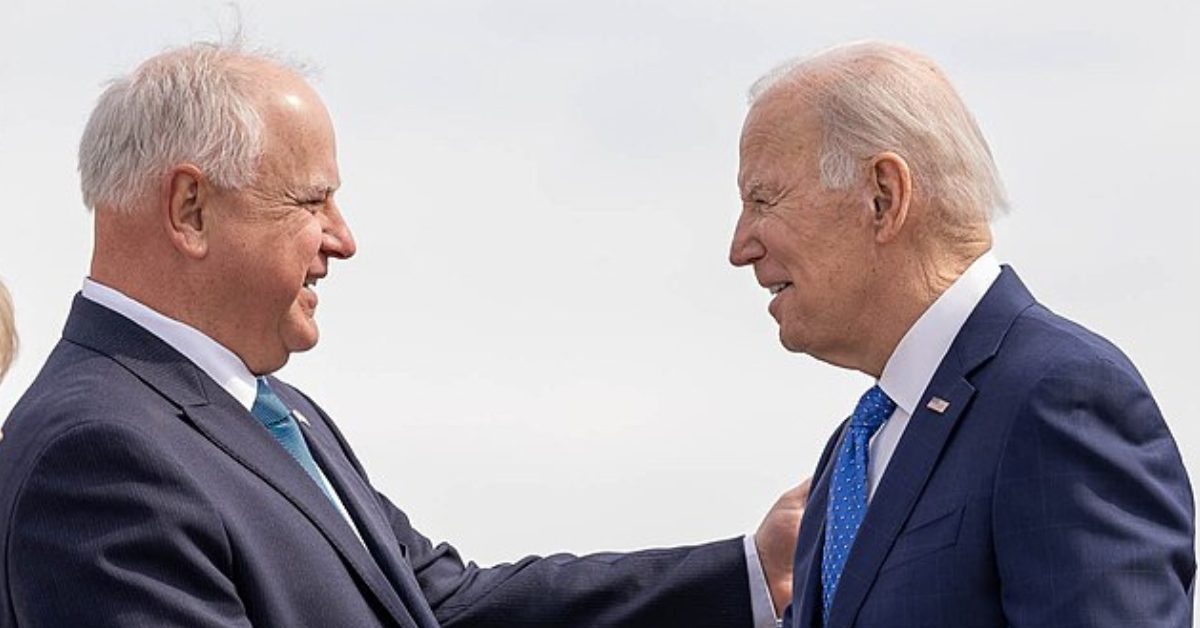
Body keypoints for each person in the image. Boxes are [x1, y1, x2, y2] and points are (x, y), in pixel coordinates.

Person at [0, 42, 805, 627]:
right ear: (190, 210)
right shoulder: (95, 452)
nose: (341, 238)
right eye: (310, 201)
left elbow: (443, 604)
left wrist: (748, 569)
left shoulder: (277, 413)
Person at [729, 40, 1194, 627]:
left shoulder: (1060, 396)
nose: (740, 247)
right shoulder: (853, 450)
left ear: (883, 197)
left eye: (763, 200)